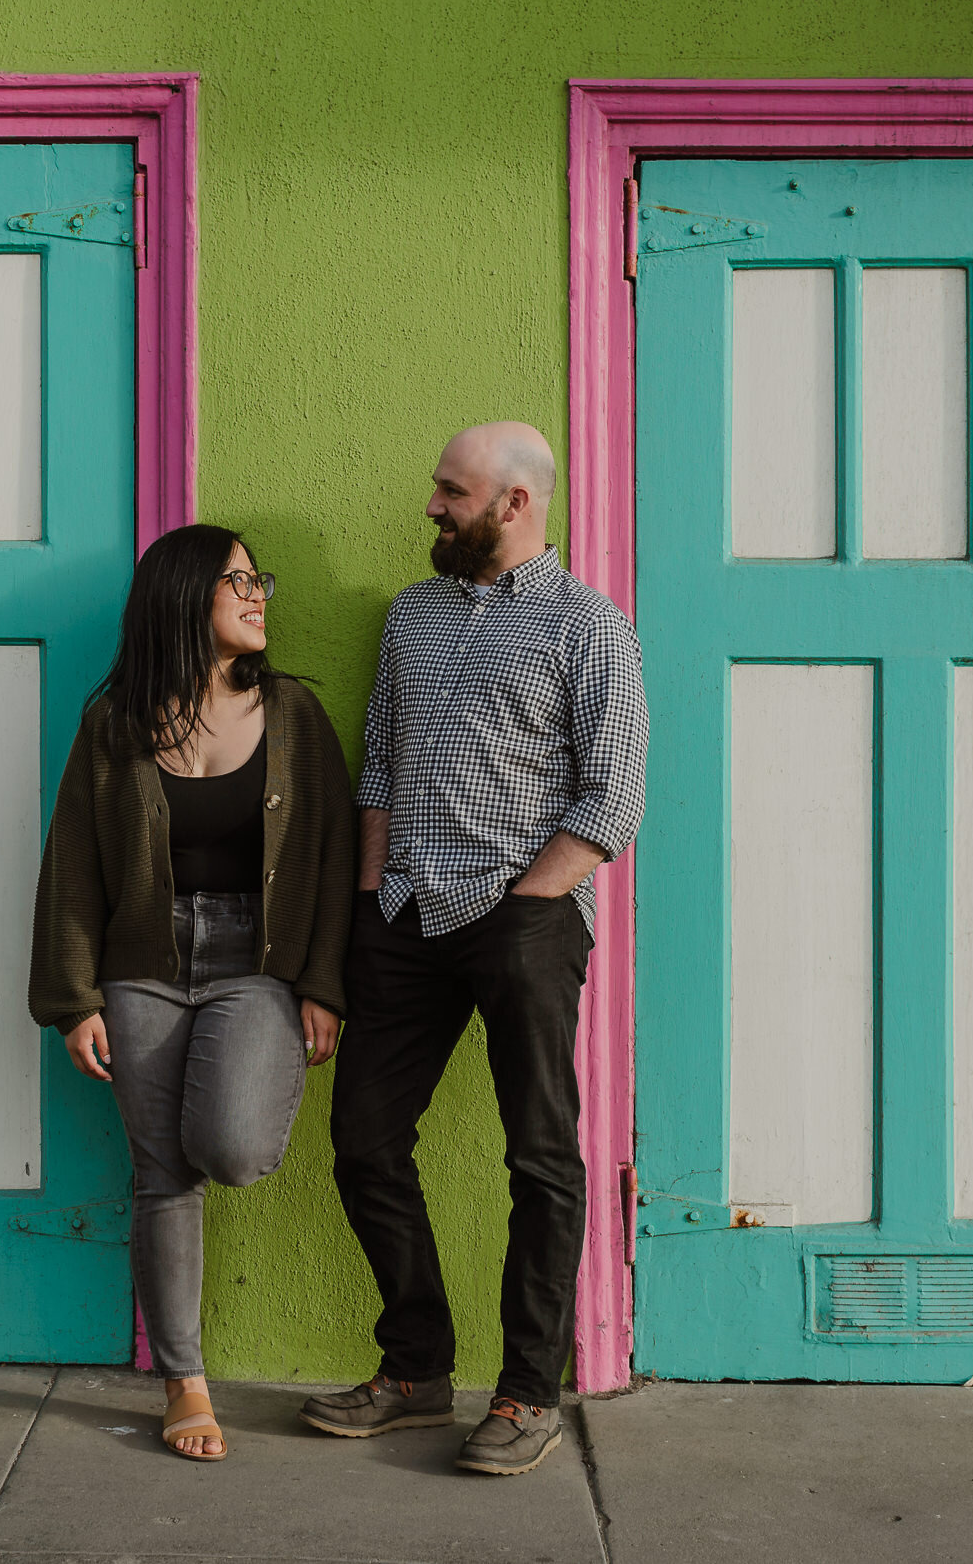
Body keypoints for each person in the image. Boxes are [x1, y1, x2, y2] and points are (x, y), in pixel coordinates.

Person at [299, 422, 648, 1476]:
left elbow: (613, 796)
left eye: (451, 492)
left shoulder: (590, 627)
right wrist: (368, 900)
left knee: (539, 1157)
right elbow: (379, 767)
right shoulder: (411, 615)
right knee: (361, 1140)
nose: (431, 507)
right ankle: (414, 1371)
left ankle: (526, 1391)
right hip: (400, 915)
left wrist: (529, 902)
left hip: (521, 919)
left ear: (513, 503)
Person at [29, 523, 356, 1463]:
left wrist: (324, 984)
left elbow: (333, 867)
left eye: (260, 578)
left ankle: (184, 1365)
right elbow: (75, 866)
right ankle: (185, 1381)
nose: (259, 595)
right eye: (238, 580)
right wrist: (73, 997)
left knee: (229, 1144)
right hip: (143, 966)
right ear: (183, 598)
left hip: (256, 964)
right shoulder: (116, 723)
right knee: (159, 1171)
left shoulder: (292, 713)